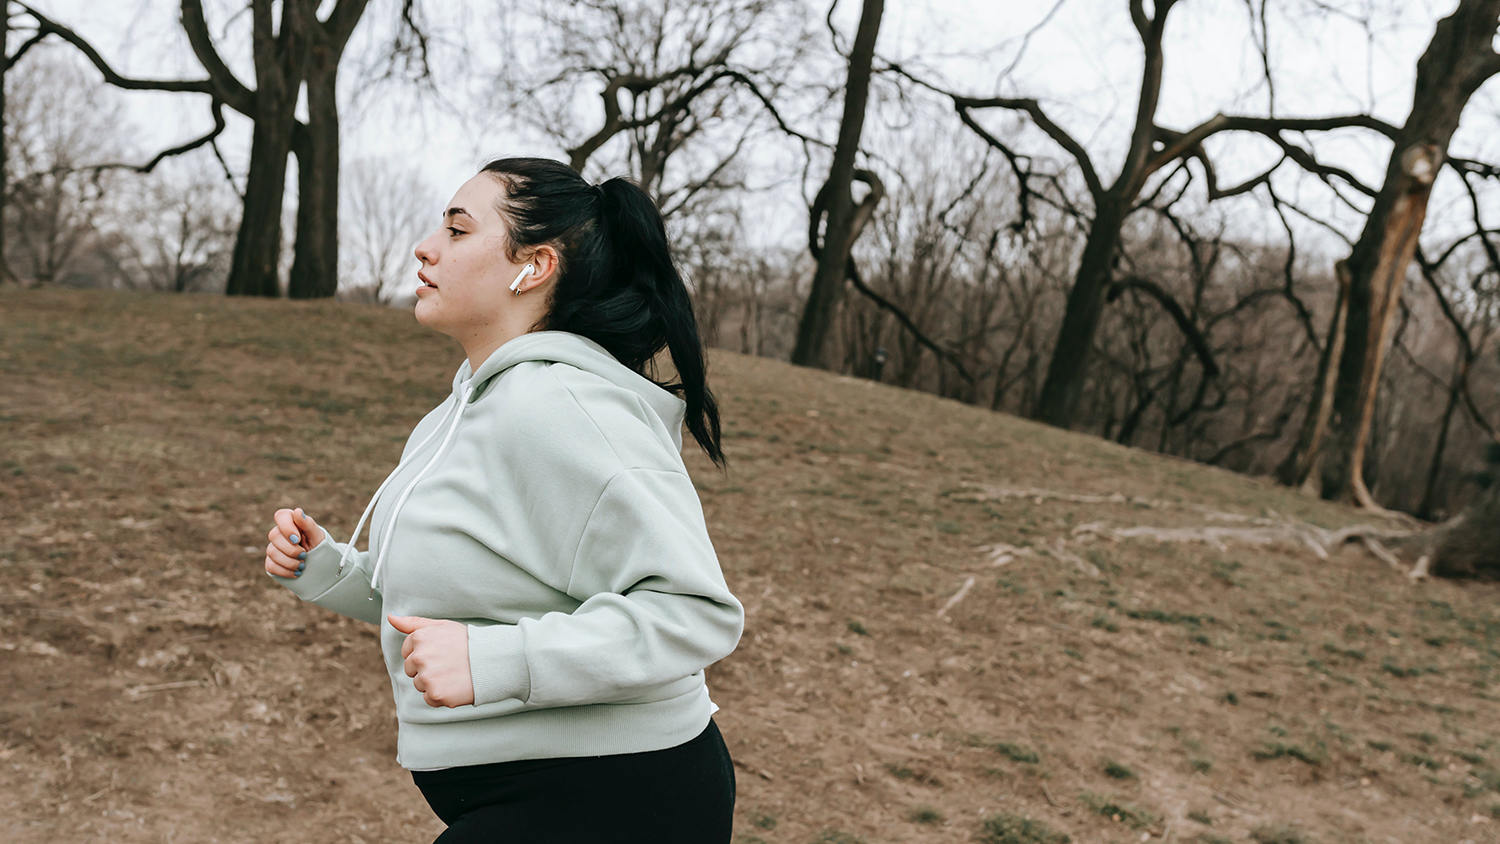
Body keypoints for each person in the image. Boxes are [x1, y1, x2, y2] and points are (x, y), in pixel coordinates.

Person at [258, 156, 745, 843]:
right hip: (527, 787)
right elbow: (460, 602)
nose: (425, 246)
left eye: (458, 231)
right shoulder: (465, 406)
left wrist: (497, 663)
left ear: (535, 266)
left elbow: (693, 612)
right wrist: (329, 569)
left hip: (618, 792)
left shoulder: (564, 408)